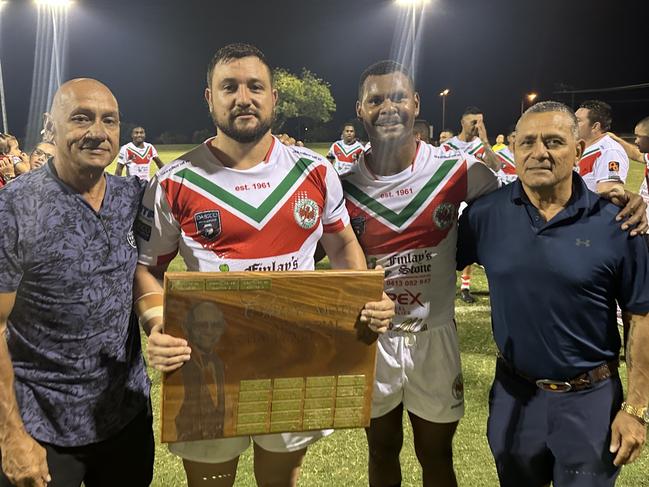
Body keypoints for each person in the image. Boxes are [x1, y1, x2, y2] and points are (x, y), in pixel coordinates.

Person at [132, 43, 394, 487]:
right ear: (209, 98)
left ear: (274, 97)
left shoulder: (315, 171)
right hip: (207, 360)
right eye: (229, 87)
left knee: (280, 480)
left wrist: (366, 296)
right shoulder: (174, 181)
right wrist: (158, 324)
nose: (243, 97)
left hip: (292, 355)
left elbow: (344, 244)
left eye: (255, 86)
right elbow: (147, 268)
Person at [457, 101, 649, 487]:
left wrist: (637, 408)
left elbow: (641, 316)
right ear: (513, 148)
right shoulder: (485, 216)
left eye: (554, 141)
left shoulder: (617, 223)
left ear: (578, 150)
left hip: (590, 399)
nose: (539, 152)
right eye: (527, 142)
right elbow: (431, 265)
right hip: (514, 393)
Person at [343, 60, 499, 487]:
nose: (387, 107)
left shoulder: (457, 171)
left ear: (415, 103)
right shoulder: (343, 185)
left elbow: (519, 201)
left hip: (435, 335)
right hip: (374, 338)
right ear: (360, 109)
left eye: (397, 96)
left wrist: (608, 200)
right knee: (381, 449)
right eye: (375, 99)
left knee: (436, 454)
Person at [0, 78, 153, 487]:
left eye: (109, 120)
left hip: (126, 416)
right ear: (51, 127)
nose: (98, 132)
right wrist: (10, 434)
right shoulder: (13, 206)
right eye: (81, 119)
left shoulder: (133, 197)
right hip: (43, 425)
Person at [175, 302, 227, 441]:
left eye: (215, 325)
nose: (209, 331)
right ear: (188, 329)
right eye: (202, 325)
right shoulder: (180, 366)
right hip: (193, 441)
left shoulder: (221, 363)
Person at [575, 100, 628, 193]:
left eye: (578, 121)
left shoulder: (610, 151)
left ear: (595, 126)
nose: (572, 124)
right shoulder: (579, 146)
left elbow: (609, 193)